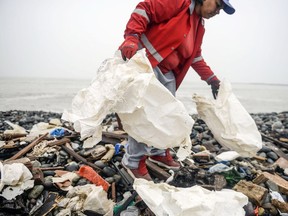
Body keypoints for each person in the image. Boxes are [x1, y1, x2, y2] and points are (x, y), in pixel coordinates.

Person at [119, 0, 235, 180]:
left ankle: (158, 152)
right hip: (147, 64)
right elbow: (144, 8)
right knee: (142, 116)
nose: (218, 11)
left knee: (167, 115)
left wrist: (212, 80)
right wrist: (132, 37)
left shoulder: (199, 25)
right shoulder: (180, 4)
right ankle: (133, 162)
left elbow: (195, 56)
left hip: (168, 73)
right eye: (218, 5)